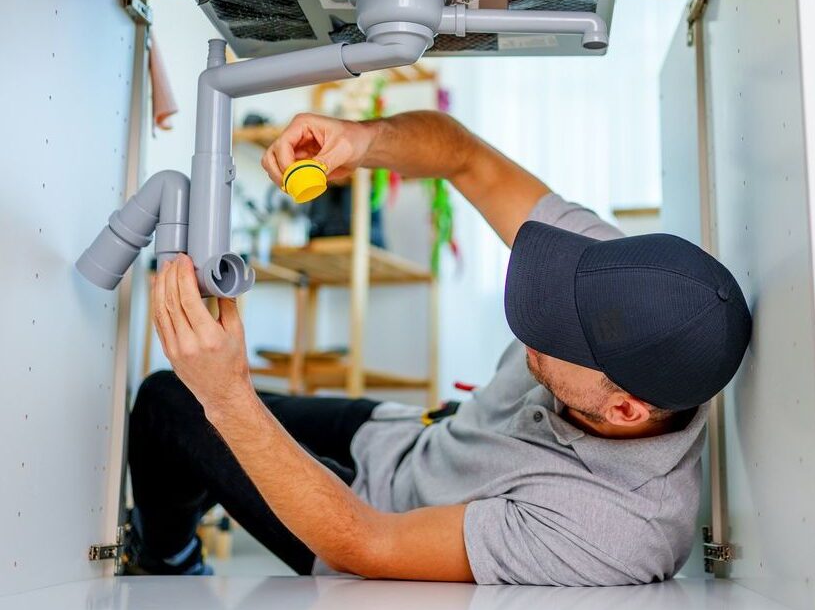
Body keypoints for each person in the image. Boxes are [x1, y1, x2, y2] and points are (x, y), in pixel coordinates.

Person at [127, 111, 752, 585]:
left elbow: (367, 543)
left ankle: (172, 564)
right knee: (187, 411)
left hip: (369, 509)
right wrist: (364, 140)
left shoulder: (617, 529)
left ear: (625, 409)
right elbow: (466, 158)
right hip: (410, 439)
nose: (533, 326)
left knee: (170, 404)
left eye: (559, 333)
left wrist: (227, 396)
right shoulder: (622, 276)